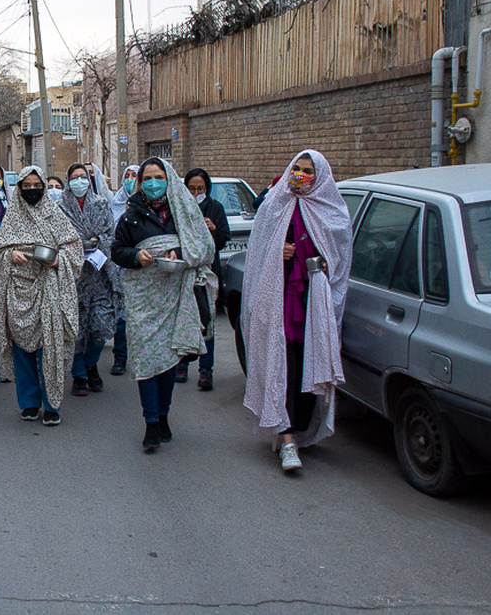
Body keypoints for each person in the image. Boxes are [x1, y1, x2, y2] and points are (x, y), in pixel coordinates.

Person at [242, 151, 352, 473]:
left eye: (308, 171)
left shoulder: (333, 211)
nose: (300, 175)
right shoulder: (274, 206)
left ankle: (299, 430)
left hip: (313, 305)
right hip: (279, 302)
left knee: (308, 369)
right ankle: (286, 436)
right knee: (283, 369)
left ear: (321, 177)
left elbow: (341, 259)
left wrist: (319, 259)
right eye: (297, 169)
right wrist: (280, 251)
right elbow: (259, 255)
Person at [111, 157, 217, 452]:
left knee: (169, 361)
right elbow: (117, 251)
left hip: (175, 295)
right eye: (147, 178)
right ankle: (150, 422)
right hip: (143, 299)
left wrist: (178, 252)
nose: (153, 183)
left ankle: (164, 415)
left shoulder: (184, 213)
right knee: (146, 360)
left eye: (158, 177)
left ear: (169, 180)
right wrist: (137, 257)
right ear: (140, 182)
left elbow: (204, 247)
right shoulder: (131, 216)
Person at [0, 167, 83, 426]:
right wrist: (9, 256)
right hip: (18, 291)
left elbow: (74, 250)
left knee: (50, 348)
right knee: (22, 352)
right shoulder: (12, 216)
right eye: (26, 186)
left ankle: (52, 404)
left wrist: (56, 261)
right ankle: (29, 403)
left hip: (49, 287)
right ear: (19, 189)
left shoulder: (55, 215)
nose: (32, 190)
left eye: (36, 185)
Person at [60, 163, 115, 397]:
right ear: (68, 180)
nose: (79, 181)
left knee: (101, 327)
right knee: (75, 329)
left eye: (83, 177)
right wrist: (74, 246)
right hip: (72, 277)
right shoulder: (59, 208)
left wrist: (97, 240)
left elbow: (112, 233)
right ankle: (79, 374)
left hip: (99, 274)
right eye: (74, 177)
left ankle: (92, 363)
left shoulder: (101, 203)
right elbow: (55, 238)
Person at [180, 168, 231, 390]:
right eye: (192, 188)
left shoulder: (215, 208)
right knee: (183, 318)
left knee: (207, 319)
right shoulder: (180, 207)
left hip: (208, 272)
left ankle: (205, 370)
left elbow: (223, 240)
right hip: (184, 271)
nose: (196, 192)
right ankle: (181, 364)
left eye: (200, 188)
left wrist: (213, 229)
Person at [109, 164, 139, 375]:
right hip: (118, 267)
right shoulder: (116, 202)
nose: (130, 179)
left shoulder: (146, 205)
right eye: (126, 176)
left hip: (142, 267)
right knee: (121, 315)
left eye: (134, 176)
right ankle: (120, 357)